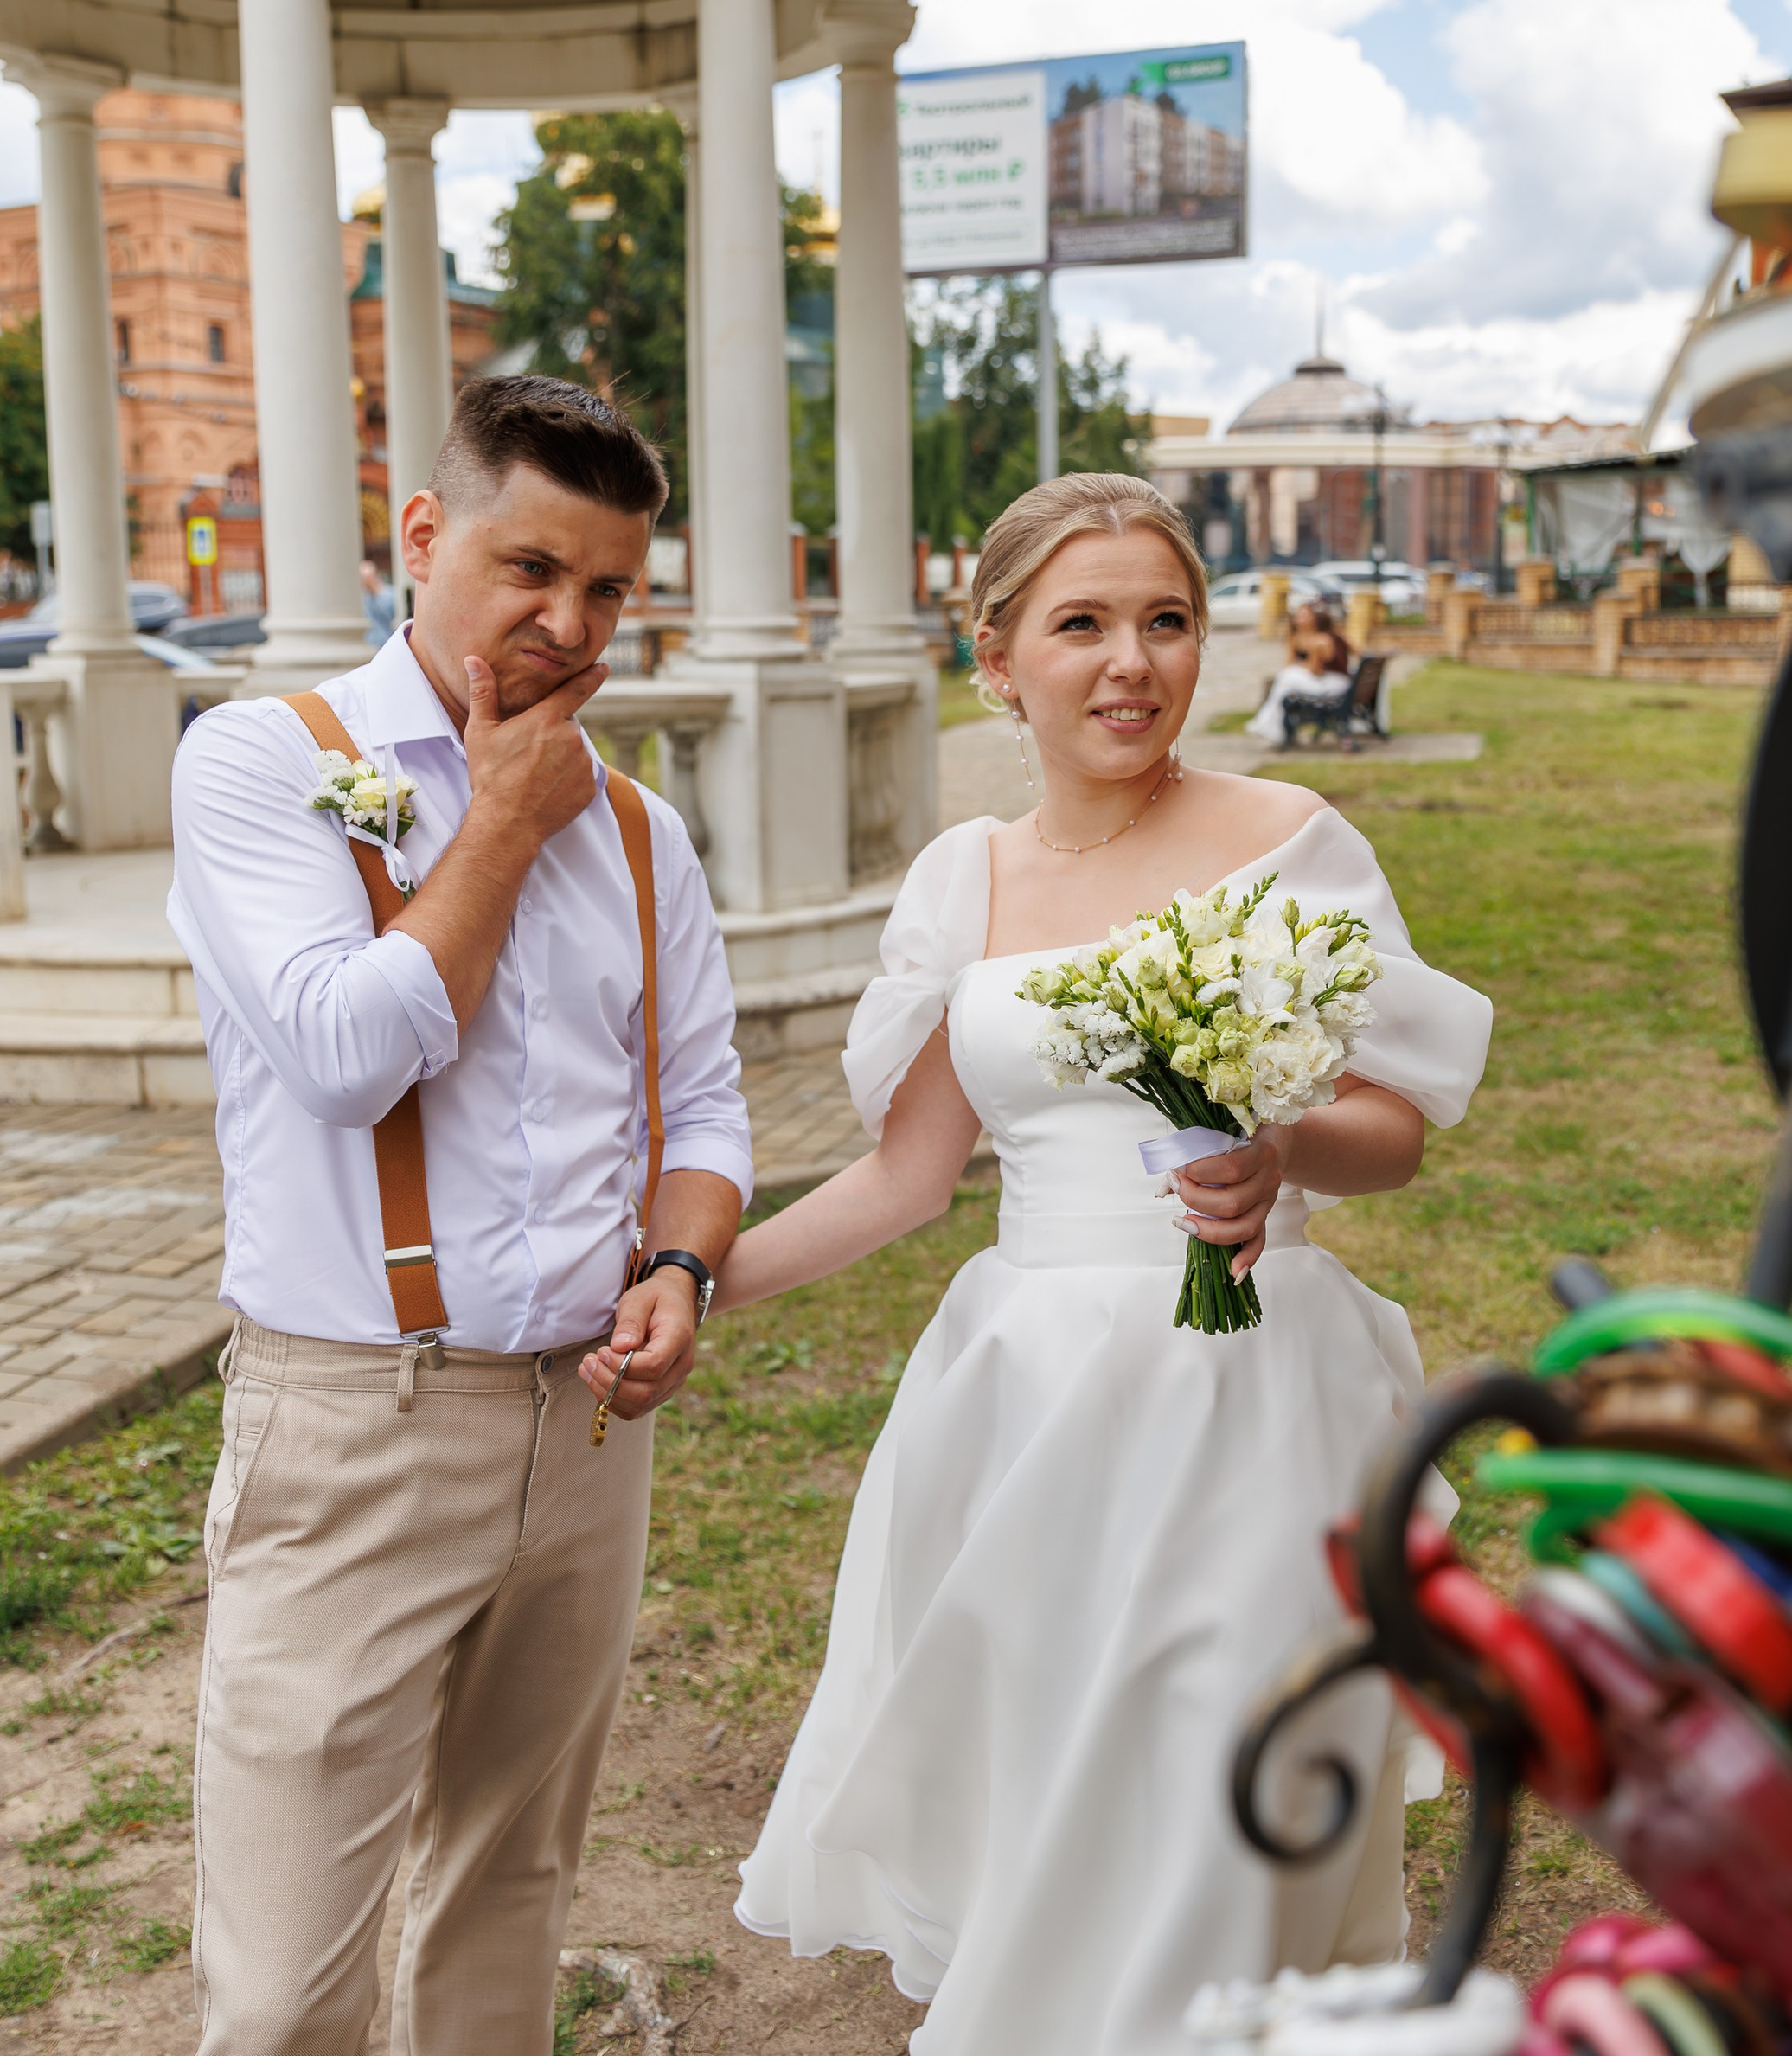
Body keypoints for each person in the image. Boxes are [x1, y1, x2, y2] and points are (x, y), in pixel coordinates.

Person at [725, 472, 1492, 2053]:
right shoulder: (964, 886)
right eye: (1082, 625)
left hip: (1246, 1392)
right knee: (1059, 1790)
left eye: (1167, 622)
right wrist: (696, 1276)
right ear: (996, 655)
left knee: (1218, 1788)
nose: (1130, 663)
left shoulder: (1291, 840)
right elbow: (906, 1176)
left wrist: (1284, 1154)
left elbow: (1395, 1124)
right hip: (1028, 1400)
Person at [169, 376, 751, 2055]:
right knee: (283, 1983)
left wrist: (678, 1261)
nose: (568, 625)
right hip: (354, 1420)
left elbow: (702, 1106)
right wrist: (500, 809)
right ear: (422, 533)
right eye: (528, 569)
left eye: (608, 589)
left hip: (580, 1434)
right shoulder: (263, 763)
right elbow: (347, 1053)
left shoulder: (642, 829)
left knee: (507, 1893)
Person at [1249, 598, 1357, 746]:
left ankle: (1268, 725)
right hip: (1319, 681)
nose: (1298, 619)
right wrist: (1300, 664)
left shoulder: (1322, 640)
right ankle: (1270, 726)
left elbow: (1315, 670)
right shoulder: (1296, 638)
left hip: (1334, 683)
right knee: (1286, 677)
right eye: (1298, 615)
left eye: (1304, 615)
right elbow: (1288, 664)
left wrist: (1301, 664)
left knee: (1286, 678)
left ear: (1315, 618)